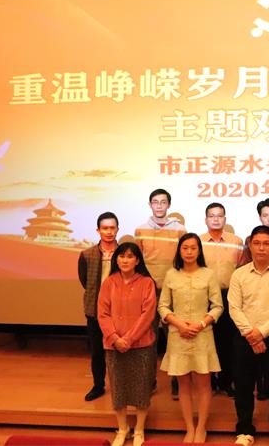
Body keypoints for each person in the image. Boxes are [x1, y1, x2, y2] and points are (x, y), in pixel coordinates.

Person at [228, 225, 269, 446]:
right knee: (244, 387)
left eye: (266, 243)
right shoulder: (239, 274)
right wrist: (251, 335)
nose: (261, 248)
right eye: (257, 243)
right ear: (250, 245)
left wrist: (261, 333)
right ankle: (244, 430)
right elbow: (234, 308)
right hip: (244, 338)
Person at [159, 233, 223, 443]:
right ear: (179, 251)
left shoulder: (208, 274)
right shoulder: (171, 274)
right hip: (178, 335)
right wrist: (179, 324)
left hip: (202, 335)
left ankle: (201, 427)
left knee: (204, 384)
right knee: (183, 385)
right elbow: (163, 306)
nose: (188, 252)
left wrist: (201, 324)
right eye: (185, 248)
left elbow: (217, 306)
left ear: (199, 251)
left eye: (193, 248)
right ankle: (189, 427)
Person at [97, 242, 157, 446]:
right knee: (118, 387)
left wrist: (129, 339)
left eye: (130, 256)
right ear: (116, 259)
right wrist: (115, 338)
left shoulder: (147, 282)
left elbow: (147, 314)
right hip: (113, 344)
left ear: (137, 260)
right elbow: (102, 314)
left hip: (141, 345)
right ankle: (123, 428)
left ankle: (139, 429)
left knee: (142, 387)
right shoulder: (109, 282)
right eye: (121, 256)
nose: (125, 260)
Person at [135, 188, 186, 399]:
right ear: (150, 205)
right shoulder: (140, 230)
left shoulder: (180, 229)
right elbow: (138, 262)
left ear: (168, 205)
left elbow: (184, 259)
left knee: (175, 338)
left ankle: (177, 382)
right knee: (148, 338)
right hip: (149, 291)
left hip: (173, 290)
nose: (159, 206)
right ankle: (150, 381)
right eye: (155, 202)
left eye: (163, 202)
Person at [200, 202, 244, 397]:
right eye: (212, 216)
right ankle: (209, 382)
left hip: (229, 295)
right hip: (204, 296)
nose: (216, 219)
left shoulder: (236, 241)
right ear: (206, 220)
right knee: (207, 341)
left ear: (225, 219)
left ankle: (227, 381)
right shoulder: (198, 241)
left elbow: (242, 269)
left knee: (228, 342)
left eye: (219, 216)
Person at [78, 212, 119, 402]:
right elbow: (85, 281)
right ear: (98, 230)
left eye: (112, 228)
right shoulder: (87, 255)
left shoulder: (125, 254)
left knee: (119, 351)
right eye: (105, 228)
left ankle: (120, 386)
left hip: (120, 311)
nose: (109, 232)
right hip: (95, 310)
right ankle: (98, 385)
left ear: (117, 229)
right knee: (96, 351)